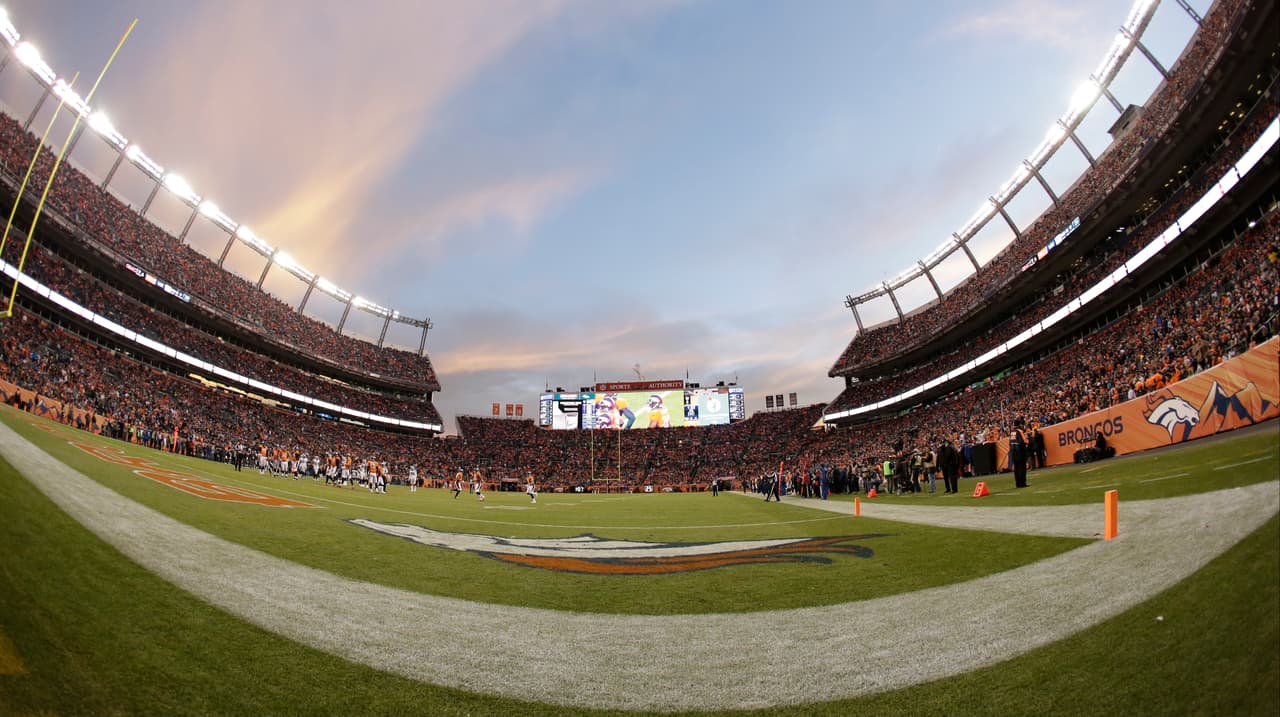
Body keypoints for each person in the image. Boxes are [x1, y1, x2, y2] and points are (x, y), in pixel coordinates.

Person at [1010, 418, 1030, 488]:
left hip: (1014, 452)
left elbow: (1010, 443)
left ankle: (1018, 483)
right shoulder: (1020, 431)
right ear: (1019, 424)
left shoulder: (1012, 432)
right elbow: (1025, 441)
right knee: (1022, 468)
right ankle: (1022, 483)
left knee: (1017, 468)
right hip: (1020, 452)